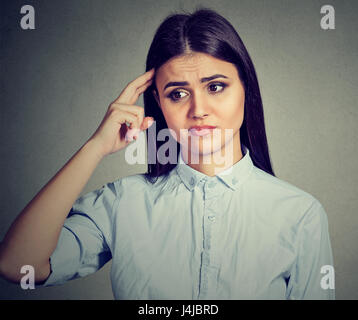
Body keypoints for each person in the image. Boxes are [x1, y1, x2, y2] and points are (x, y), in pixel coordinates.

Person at [0, 8, 334, 300]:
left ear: (246, 88)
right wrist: (95, 147)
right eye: (177, 94)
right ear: (158, 103)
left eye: (215, 87)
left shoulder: (301, 215)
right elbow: (18, 266)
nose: (199, 109)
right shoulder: (121, 204)